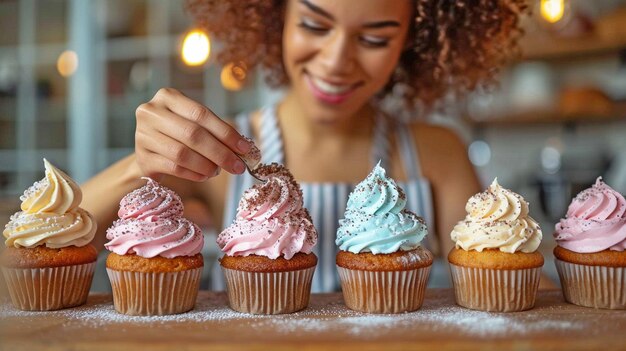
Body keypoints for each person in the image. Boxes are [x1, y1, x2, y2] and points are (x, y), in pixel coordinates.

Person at [83, 0, 553, 291]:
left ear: (414, 43)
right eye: (314, 24)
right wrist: (138, 167)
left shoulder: (439, 152)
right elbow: (25, 253)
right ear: (276, 15)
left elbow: (502, 277)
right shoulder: (214, 150)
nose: (336, 61)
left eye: (373, 38)